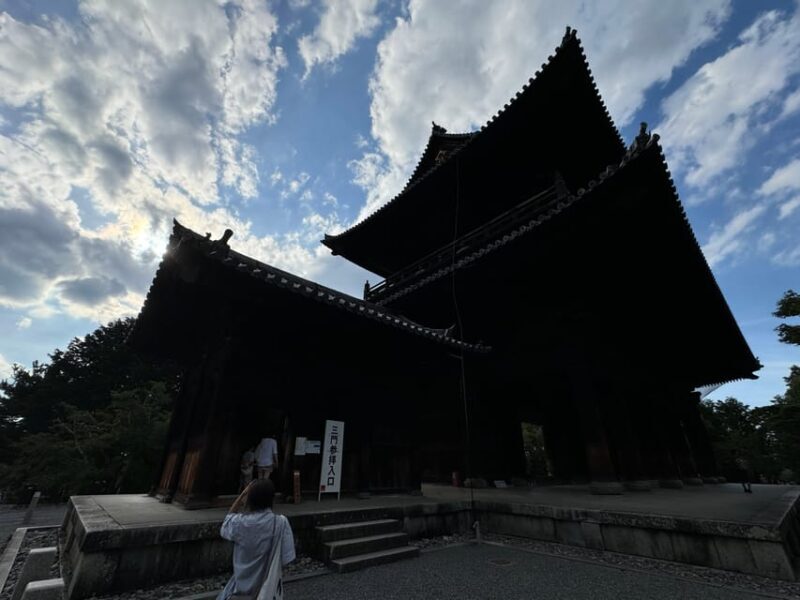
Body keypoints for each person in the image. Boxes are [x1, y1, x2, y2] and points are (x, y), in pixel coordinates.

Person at [217, 479, 296, 600]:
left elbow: (227, 521)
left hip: (239, 586)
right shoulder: (280, 523)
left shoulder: (239, 523)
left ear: (249, 499)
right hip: (266, 589)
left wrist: (243, 494)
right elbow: (287, 558)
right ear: (271, 499)